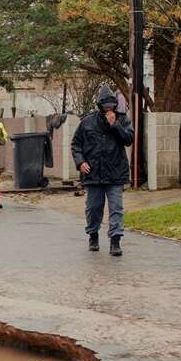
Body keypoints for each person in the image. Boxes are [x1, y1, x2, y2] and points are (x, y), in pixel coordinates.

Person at [71, 85, 135, 256]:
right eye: (105, 106)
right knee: (93, 208)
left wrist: (115, 125)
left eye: (111, 106)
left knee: (116, 208)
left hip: (115, 172)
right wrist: (80, 162)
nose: (109, 109)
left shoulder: (122, 120)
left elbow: (129, 139)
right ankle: (93, 235)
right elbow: (76, 144)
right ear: (100, 105)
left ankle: (115, 241)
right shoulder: (87, 122)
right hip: (93, 173)